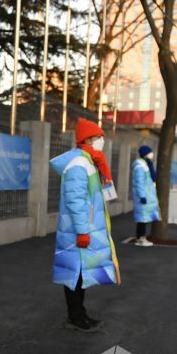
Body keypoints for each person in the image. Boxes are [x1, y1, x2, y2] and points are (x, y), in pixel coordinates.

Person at [50, 119, 121, 332]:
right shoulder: (79, 165)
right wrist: (82, 231)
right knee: (75, 274)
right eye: (98, 137)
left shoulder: (90, 161)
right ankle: (75, 317)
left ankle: (79, 314)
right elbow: (75, 200)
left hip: (85, 228)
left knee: (81, 273)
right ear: (88, 139)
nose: (102, 141)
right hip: (78, 231)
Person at [131, 145, 159, 247]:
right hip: (143, 197)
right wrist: (142, 196)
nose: (152, 154)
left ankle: (141, 238)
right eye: (150, 152)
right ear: (145, 154)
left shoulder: (146, 164)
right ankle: (141, 239)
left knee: (144, 218)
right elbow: (139, 182)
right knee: (142, 218)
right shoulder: (140, 166)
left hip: (147, 196)